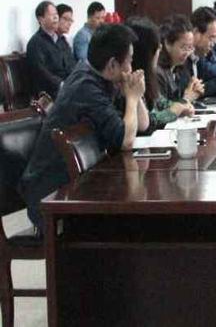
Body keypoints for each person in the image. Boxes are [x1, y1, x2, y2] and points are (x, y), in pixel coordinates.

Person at [19, 24, 149, 228]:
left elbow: (142, 125)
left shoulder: (99, 77)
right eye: (130, 60)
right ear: (113, 64)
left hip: (79, 185)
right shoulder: (86, 87)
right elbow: (126, 141)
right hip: (52, 196)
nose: (131, 67)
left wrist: (136, 95)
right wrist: (132, 99)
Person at [127, 17, 193, 130]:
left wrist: (181, 105)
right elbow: (148, 121)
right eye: (156, 47)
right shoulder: (132, 78)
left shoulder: (148, 75)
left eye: (190, 47)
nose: (160, 49)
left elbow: (160, 101)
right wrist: (174, 111)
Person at [26, 1, 76, 98]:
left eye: (56, 14)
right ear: (40, 19)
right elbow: (41, 72)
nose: (56, 18)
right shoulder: (35, 43)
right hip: (50, 93)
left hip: (67, 88)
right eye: (51, 15)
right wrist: (61, 84)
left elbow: (71, 64)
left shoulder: (61, 40)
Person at [157, 14, 205, 106]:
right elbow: (161, 109)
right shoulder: (158, 72)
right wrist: (186, 99)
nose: (187, 53)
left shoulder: (179, 67)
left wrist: (193, 88)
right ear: (168, 43)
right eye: (184, 47)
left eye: (190, 47)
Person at [55, 3, 77, 73]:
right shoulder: (47, 41)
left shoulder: (63, 40)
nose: (69, 23)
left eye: (71, 20)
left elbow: (72, 64)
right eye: (65, 19)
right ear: (56, 18)